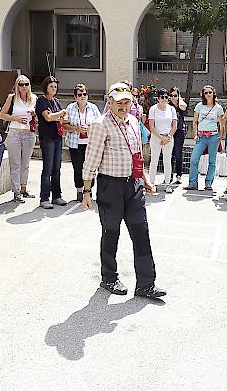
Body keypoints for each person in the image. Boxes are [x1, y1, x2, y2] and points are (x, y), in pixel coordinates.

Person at [81, 82, 166, 300]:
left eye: (127, 101)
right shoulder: (100, 124)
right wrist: (87, 191)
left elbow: (137, 154)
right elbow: (91, 159)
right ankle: (109, 277)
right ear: (109, 102)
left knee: (141, 232)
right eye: (119, 102)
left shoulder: (134, 122)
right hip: (110, 186)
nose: (123, 106)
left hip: (133, 185)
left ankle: (146, 284)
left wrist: (144, 178)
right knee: (111, 233)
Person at [0, 75, 37, 203]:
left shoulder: (34, 98)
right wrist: (16, 118)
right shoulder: (12, 98)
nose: (24, 87)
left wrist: (34, 115)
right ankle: (16, 192)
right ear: (17, 86)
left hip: (29, 133)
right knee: (15, 164)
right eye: (21, 84)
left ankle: (23, 189)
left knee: (25, 164)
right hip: (14, 132)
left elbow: (37, 117)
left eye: (26, 84)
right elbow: (2, 115)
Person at [63, 82, 100, 204]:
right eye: (80, 94)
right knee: (78, 168)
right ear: (75, 97)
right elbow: (64, 125)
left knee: (90, 168)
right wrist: (76, 129)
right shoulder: (70, 108)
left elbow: (100, 124)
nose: (83, 96)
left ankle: (88, 191)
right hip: (75, 143)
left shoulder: (93, 108)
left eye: (85, 94)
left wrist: (90, 129)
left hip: (90, 143)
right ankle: (79, 191)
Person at [34, 76, 68, 209]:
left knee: (57, 168)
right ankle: (44, 198)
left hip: (57, 136)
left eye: (55, 86)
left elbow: (61, 118)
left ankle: (56, 196)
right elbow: (48, 117)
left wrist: (60, 115)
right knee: (47, 168)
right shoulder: (41, 100)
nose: (54, 88)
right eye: (51, 86)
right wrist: (60, 113)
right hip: (47, 137)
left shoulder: (56, 101)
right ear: (46, 87)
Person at [185, 85, 225, 191]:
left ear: (213, 93)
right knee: (194, 160)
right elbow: (194, 121)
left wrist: (221, 135)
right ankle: (193, 183)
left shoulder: (218, 107)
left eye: (209, 92)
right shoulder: (199, 106)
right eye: (205, 93)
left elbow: (222, 123)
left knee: (212, 161)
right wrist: (195, 134)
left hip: (213, 136)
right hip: (201, 136)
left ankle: (208, 183)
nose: (208, 95)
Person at [148, 88, 177, 193]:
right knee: (154, 161)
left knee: (167, 161)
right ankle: (151, 184)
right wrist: (161, 138)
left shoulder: (172, 109)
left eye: (166, 97)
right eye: (162, 97)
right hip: (156, 137)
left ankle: (168, 184)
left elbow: (174, 126)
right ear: (158, 98)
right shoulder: (153, 109)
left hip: (168, 138)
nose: (164, 99)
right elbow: (152, 126)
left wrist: (168, 137)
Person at [168, 87, 188, 184]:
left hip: (179, 130)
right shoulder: (168, 105)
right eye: (171, 95)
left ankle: (179, 174)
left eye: (175, 95)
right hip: (170, 131)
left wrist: (178, 99)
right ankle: (169, 175)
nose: (173, 97)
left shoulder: (181, 104)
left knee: (178, 153)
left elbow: (184, 107)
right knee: (169, 154)